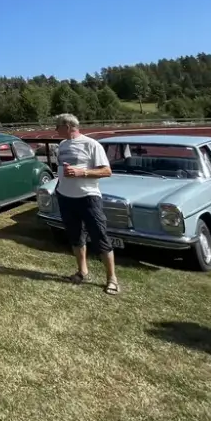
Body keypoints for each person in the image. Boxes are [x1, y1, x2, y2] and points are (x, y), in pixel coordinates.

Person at [54, 113, 119, 295]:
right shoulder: (62, 145)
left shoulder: (91, 145)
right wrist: (59, 189)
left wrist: (81, 172)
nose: (55, 129)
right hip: (66, 198)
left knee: (100, 236)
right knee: (75, 237)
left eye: (57, 126)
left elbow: (106, 171)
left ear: (68, 126)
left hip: (88, 198)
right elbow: (62, 171)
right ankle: (82, 272)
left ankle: (112, 278)